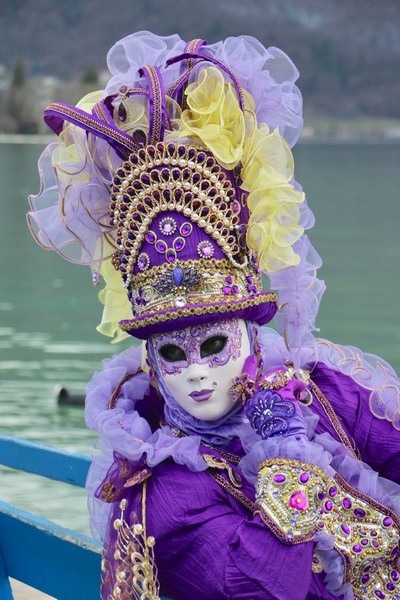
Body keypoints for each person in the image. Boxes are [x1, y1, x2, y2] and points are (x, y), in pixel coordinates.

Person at [28, 31, 400, 600]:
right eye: (173, 353)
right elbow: (261, 591)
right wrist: (286, 459)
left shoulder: (313, 390)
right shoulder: (163, 494)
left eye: (215, 346)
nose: (198, 373)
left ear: (252, 338)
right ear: (151, 360)